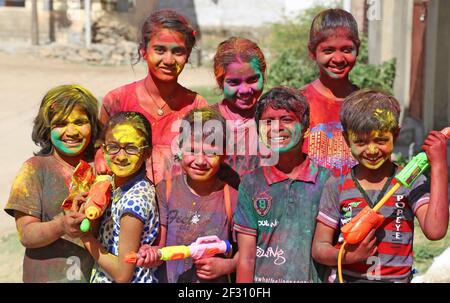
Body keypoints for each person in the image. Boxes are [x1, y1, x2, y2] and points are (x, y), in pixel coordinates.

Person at [312, 89, 449, 283]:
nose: (372, 150)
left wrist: (439, 165)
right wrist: (349, 257)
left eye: (381, 140)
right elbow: (320, 247)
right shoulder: (337, 186)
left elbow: (435, 231)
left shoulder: (409, 181)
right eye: (360, 141)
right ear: (346, 139)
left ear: (396, 134)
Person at [97, 9, 208, 184]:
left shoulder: (196, 107)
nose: (169, 60)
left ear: (187, 56)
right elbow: (98, 154)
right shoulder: (117, 101)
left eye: (178, 51)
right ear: (143, 52)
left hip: (176, 209)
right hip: (126, 207)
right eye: (160, 50)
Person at [4, 84, 101, 282]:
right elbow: (26, 234)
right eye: (61, 123)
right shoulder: (34, 170)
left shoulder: (103, 168)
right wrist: (60, 226)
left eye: (80, 121)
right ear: (46, 129)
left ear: (93, 124)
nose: (71, 131)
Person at [234, 87, 331, 283]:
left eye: (287, 119)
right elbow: (246, 258)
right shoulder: (251, 183)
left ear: (305, 128)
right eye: (268, 121)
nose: (276, 128)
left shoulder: (325, 181)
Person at [135, 108, 238, 283]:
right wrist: (151, 255)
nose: (200, 160)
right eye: (192, 150)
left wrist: (228, 266)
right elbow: (160, 250)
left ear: (224, 155)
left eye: (211, 152)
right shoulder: (165, 190)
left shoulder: (232, 197)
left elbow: (247, 252)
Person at [80, 112, 159, 283]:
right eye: (113, 147)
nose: (121, 156)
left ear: (147, 153)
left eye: (131, 148)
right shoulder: (115, 185)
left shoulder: (135, 202)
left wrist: (85, 238)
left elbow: (123, 274)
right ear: (103, 149)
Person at [302, 8, 361, 176]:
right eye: (328, 50)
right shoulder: (298, 103)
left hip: (355, 200)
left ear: (358, 49)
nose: (338, 59)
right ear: (312, 52)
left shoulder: (367, 105)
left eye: (347, 50)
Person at [211, 37, 267, 181]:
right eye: (234, 82)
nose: (245, 90)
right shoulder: (207, 122)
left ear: (263, 75)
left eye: (252, 79)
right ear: (220, 82)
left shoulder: (274, 118)